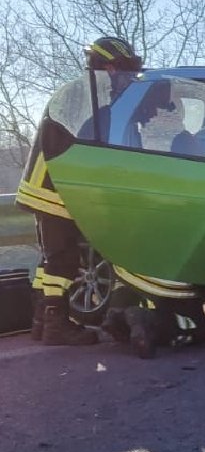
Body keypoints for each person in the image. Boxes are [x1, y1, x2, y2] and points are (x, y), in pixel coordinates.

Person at [16, 37, 142, 345]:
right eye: (126, 71)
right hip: (56, 188)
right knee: (63, 260)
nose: (127, 80)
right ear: (111, 67)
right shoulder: (90, 95)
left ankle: (41, 324)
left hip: (44, 185)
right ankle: (57, 326)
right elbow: (93, 147)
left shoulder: (78, 91)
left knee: (52, 259)